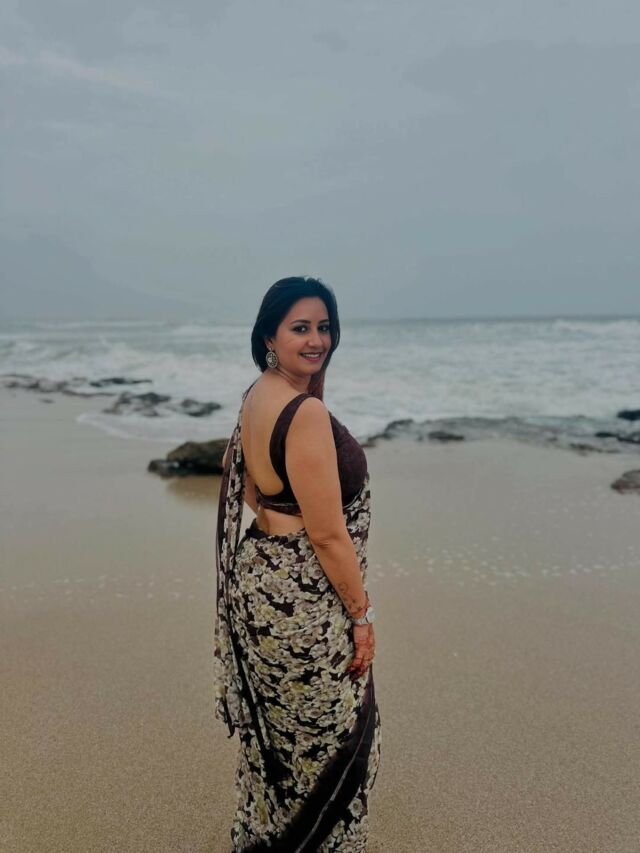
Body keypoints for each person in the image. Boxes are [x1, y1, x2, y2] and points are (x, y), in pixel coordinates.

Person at [214, 276, 381, 851]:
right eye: (300, 328)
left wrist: (276, 509)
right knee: (334, 742)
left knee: (281, 737)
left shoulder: (257, 394)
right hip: (301, 596)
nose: (316, 340)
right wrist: (361, 617)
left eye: (324, 327)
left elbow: (241, 477)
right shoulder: (303, 411)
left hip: (258, 575)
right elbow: (329, 536)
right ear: (270, 337)